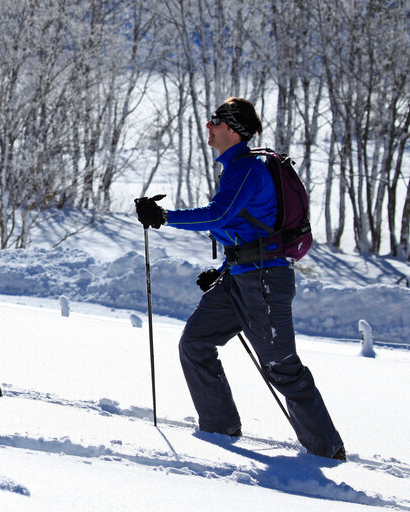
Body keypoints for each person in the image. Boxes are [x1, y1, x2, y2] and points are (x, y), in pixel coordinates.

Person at [134, 97, 345, 460]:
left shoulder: (246, 168)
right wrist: (222, 269)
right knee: (195, 343)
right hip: (239, 277)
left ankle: (327, 452)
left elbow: (219, 216)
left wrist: (164, 217)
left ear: (232, 129)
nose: (208, 126)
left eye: (214, 121)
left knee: (282, 368)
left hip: (264, 282)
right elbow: (241, 227)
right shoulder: (235, 167)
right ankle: (221, 431)